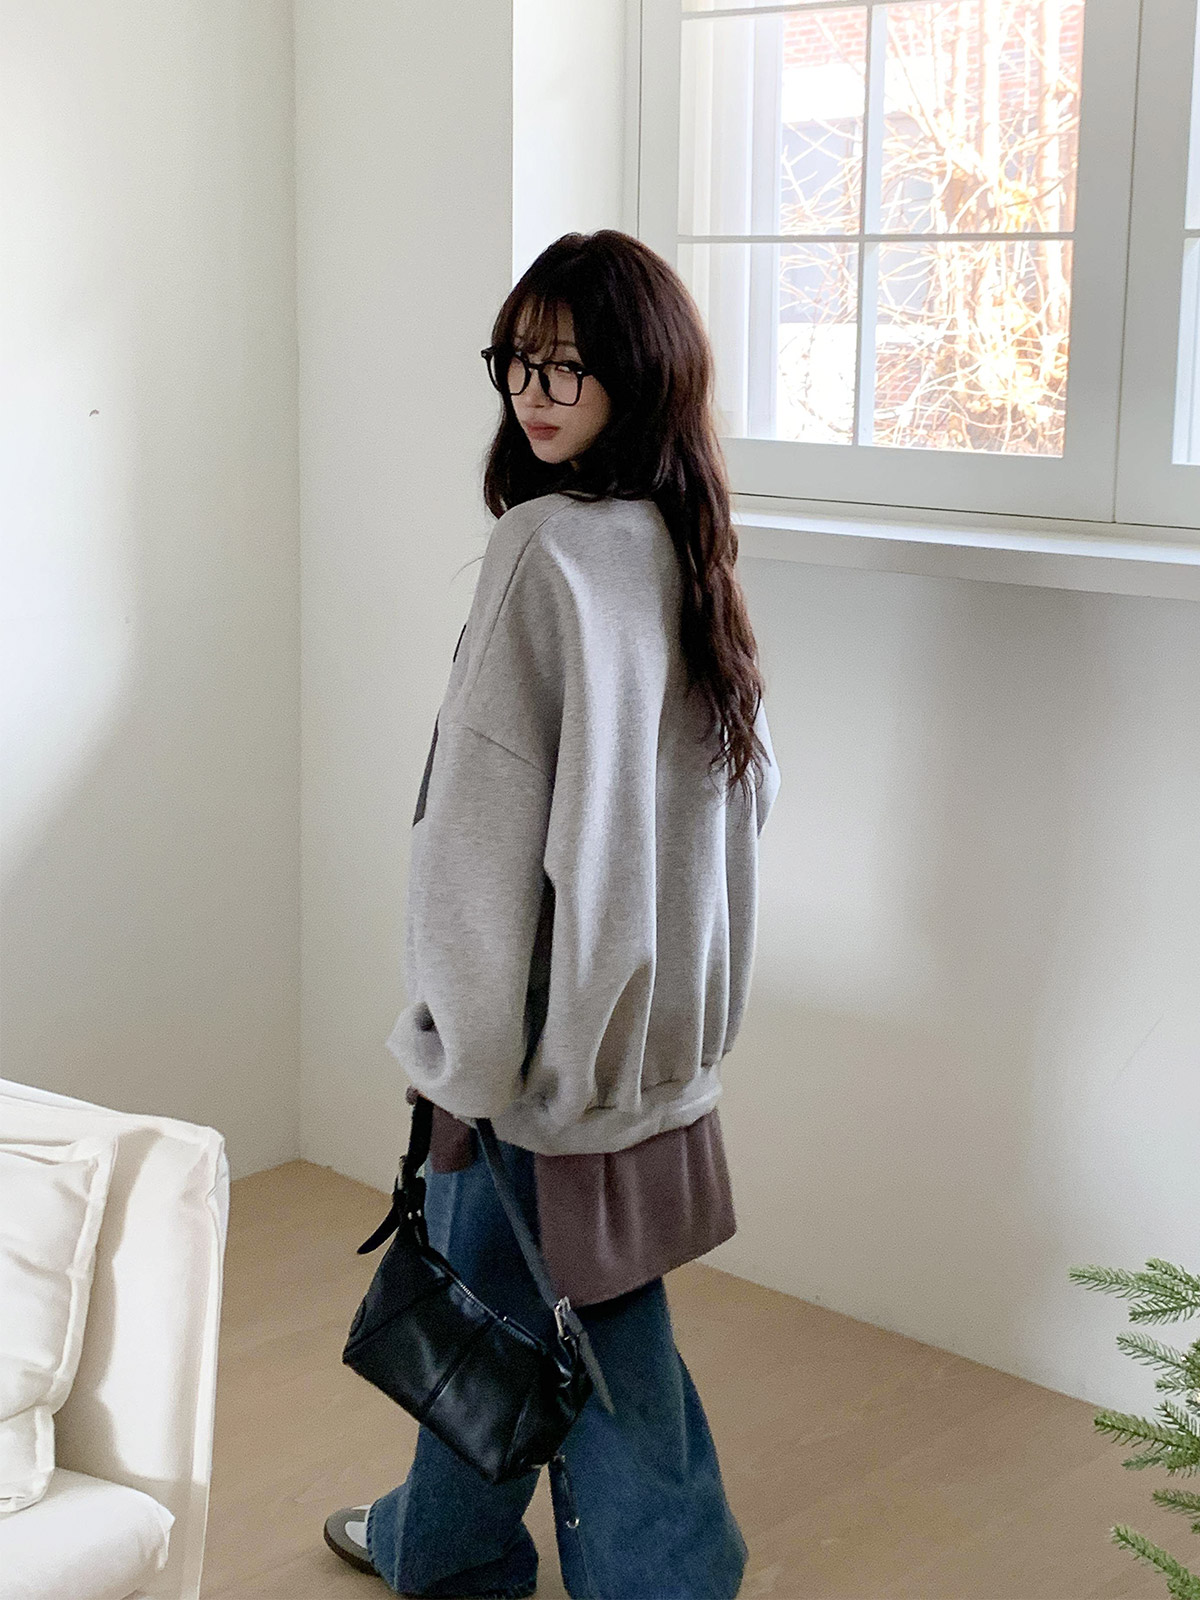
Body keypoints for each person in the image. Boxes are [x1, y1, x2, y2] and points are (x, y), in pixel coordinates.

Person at [323, 229, 781, 1600]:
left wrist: (453, 1054)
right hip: (633, 1045)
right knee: (493, 1307)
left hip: (533, 1050)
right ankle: (443, 1543)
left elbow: (473, 837)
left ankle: (666, 1577)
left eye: (568, 366)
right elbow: (724, 824)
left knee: (595, 1336)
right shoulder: (684, 549)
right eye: (518, 363)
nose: (535, 392)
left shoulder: (543, 550)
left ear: (638, 374)